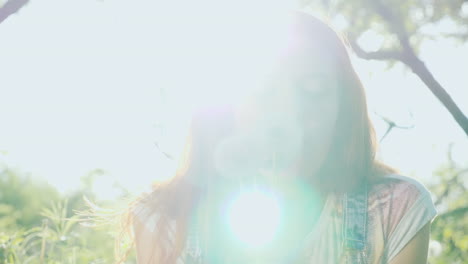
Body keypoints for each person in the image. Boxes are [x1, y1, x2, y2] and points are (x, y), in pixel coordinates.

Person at [123, 10, 437, 264]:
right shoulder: (164, 218)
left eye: (313, 92)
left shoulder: (393, 211)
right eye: (263, 91)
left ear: (342, 109)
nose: (290, 114)